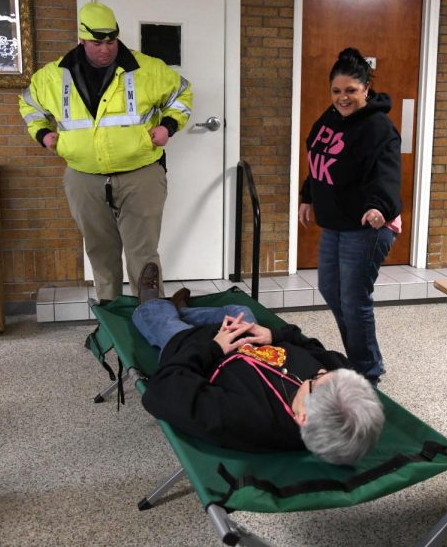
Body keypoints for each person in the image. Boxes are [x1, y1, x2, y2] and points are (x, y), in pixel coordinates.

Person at [18, 2, 192, 302]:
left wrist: (168, 126)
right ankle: (110, 320)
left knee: (143, 257)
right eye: (97, 43)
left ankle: (152, 322)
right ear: (82, 40)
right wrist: (43, 134)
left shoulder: (147, 69)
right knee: (100, 253)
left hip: (141, 175)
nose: (105, 50)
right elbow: (29, 106)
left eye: (111, 42)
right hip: (84, 178)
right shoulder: (51, 76)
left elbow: (182, 94)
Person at [133, 263, 385, 465]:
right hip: (251, 339)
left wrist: (213, 347)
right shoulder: (336, 383)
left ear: (303, 417)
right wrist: (275, 336)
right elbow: (312, 346)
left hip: (194, 348)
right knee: (238, 308)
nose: (320, 371)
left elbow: (163, 389)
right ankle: (181, 311)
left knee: (153, 315)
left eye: (316, 380)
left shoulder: (242, 419)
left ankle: (163, 307)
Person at [298, 47, 402, 386]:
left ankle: (367, 373)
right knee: (331, 289)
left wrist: (379, 207)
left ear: (366, 90)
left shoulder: (379, 128)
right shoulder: (329, 119)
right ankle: (361, 360)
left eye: (351, 91)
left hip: (368, 225)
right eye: (337, 91)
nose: (343, 98)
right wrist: (307, 197)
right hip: (337, 222)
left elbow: (387, 175)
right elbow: (318, 162)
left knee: (354, 300)